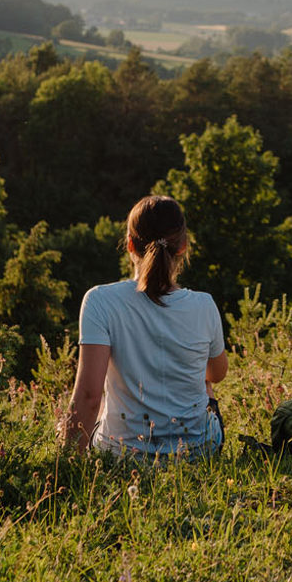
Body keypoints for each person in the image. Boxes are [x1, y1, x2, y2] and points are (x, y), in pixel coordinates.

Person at [60, 195, 228, 456]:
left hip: (121, 454)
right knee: (204, 384)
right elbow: (216, 374)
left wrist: (66, 469)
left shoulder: (100, 301)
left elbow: (89, 396)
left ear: (129, 245)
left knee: (107, 398)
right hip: (197, 452)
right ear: (183, 246)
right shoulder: (204, 305)